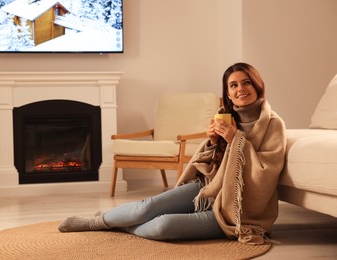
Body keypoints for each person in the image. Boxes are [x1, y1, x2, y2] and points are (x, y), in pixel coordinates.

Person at [58, 62, 287, 244]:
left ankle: (118, 224)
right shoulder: (226, 117)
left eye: (246, 82)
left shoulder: (273, 124)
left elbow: (266, 174)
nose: (240, 89)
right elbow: (207, 167)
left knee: (162, 226)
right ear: (227, 93)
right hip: (207, 188)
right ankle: (97, 222)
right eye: (233, 85)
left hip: (234, 209)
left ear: (257, 85)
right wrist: (212, 142)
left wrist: (235, 139)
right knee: (146, 207)